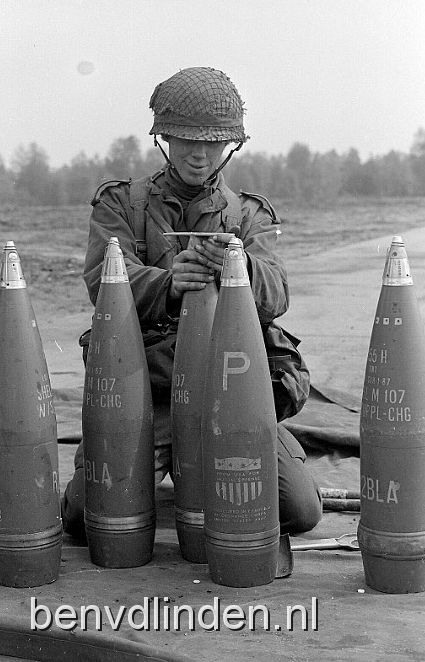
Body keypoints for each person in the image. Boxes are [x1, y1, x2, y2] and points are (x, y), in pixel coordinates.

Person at [62, 66, 322, 541]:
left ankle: (194, 476)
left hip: (231, 393)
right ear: (163, 137)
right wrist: (168, 284)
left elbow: (277, 292)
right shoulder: (121, 205)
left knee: (300, 510)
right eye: (185, 140)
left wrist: (237, 265)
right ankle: (155, 468)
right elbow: (103, 282)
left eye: (213, 143)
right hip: (149, 393)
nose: (199, 154)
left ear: (231, 145)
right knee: (84, 518)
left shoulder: (248, 214)